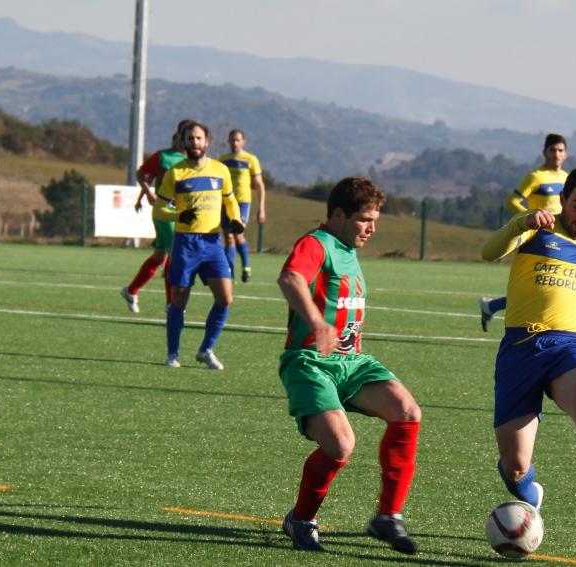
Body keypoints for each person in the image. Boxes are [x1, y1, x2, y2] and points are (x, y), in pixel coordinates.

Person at [481, 165, 576, 541]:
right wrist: (521, 223)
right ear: (564, 199)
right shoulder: (536, 228)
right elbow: (488, 253)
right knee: (515, 466)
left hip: (569, 345)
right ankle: (530, 492)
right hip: (521, 348)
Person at [277, 177, 421, 554]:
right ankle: (302, 520)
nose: (371, 228)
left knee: (407, 412)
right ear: (338, 214)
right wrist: (317, 321)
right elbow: (290, 278)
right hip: (310, 362)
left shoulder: (347, 248)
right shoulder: (316, 243)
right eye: (364, 219)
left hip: (352, 363)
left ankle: (387, 516)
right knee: (340, 445)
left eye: (375, 219)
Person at [153, 121, 243, 370]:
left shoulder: (220, 170)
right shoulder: (176, 173)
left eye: (199, 138)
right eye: (190, 139)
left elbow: (230, 200)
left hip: (212, 243)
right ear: (182, 142)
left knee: (225, 298)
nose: (194, 143)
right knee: (179, 300)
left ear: (207, 141)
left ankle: (206, 349)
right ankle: (173, 354)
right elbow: (159, 208)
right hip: (185, 243)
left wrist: (235, 220)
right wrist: (177, 216)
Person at [479, 133, 568, 331]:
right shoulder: (535, 177)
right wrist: (531, 218)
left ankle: (491, 306)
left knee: (550, 283)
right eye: (552, 150)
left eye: (560, 150)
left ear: (566, 154)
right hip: (536, 236)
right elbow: (511, 201)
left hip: (561, 237)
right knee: (537, 284)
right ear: (544, 153)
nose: (556, 154)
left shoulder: (567, 178)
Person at [120, 119, 194, 313]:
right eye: (187, 136)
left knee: (160, 256)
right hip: (165, 212)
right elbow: (141, 174)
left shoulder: (193, 160)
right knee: (175, 254)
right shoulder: (164, 156)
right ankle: (171, 303)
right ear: (179, 136)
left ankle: (131, 290)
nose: (190, 141)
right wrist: (148, 194)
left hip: (181, 214)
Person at [218, 128, 266, 283]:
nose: (234, 143)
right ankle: (229, 271)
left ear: (243, 142)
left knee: (238, 235)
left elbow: (259, 184)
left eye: (237, 140)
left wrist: (261, 207)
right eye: (232, 140)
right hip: (225, 202)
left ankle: (246, 267)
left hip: (242, 202)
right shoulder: (222, 159)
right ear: (228, 141)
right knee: (228, 238)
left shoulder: (250, 159)